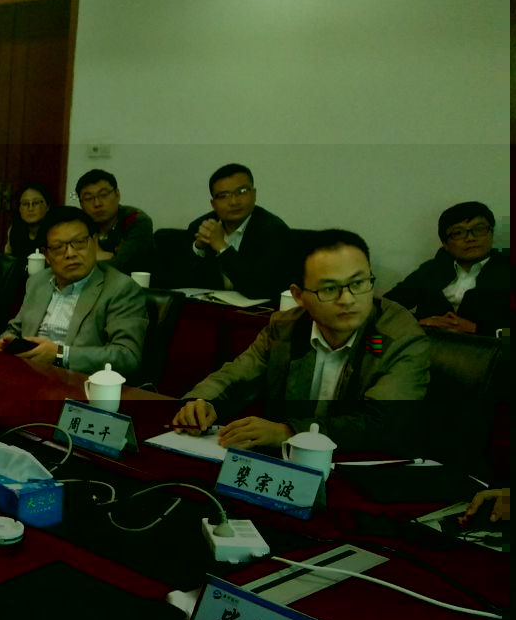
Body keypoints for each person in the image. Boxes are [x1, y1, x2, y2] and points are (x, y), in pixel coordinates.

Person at [173, 229, 429, 452]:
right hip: (290, 466)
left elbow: (382, 423)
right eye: (329, 289)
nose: (348, 299)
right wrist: (203, 402)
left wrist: (290, 432)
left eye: (359, 283)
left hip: (366, 466)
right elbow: (237, 376)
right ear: (298, 295)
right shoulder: (284, 328)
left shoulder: (400, 338)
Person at [0, 206, 148, 377]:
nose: (70, 253)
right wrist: (7, 341)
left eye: (79, 243)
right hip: (27, 374)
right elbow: (15, 328)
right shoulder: (38, 281)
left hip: (77, 383)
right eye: (58, 247)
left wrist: (60, 355)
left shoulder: (121, 289)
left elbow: (127, 357)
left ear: (94, 242)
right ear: (46, 255)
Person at [386, 201, 510, 337]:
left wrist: (477, 329)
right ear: (445, 244)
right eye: (458, 233)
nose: (470, 238)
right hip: (428, 345)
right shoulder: (431, 270)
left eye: (479, 229)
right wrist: (421, 323)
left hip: (489, 348)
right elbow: (386, 307)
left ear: (491, 233)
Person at [183, 163, 292, 301]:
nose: (234, 202)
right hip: (210, 309)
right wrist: (198, 248)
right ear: (213, 204)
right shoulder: (201, 227)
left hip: (259, 311)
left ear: (254, 194)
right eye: (223, 196)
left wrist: (221, 247)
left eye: (242, 191)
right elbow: (178, 281)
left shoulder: (274, 231)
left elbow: (260, 288)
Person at [73, 169, 155, 276]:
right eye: (88, 198)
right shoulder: (79, 225)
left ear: (117, 194)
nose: (97, 204)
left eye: (103, 195)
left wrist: (88, 260)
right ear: (81, 204)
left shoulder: (137, 221)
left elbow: (121, 266)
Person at [4, 182, 53, 260]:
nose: (30, 208)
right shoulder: (14, 230)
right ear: (19, 209)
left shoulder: (56, 231)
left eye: (36, 203)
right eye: (25, 204)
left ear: (47, 206)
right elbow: (8, 258)